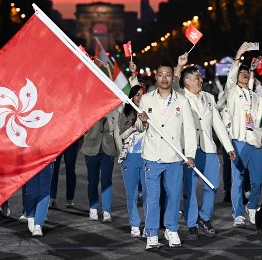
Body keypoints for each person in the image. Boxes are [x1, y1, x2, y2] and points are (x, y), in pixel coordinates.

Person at [135, 61, 196, 250]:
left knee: (173, 195)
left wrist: (190, 154)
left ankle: (171, 228)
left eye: (168, 75)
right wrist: (142, 121)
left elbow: (190, 130)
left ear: (173, 77)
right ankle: (152, 232)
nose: (164, 78)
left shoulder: (182, 100)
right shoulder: (146, 99)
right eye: (161, 74)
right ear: (156, 76)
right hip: (152, 155)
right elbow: (139, 128)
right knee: (152, 197)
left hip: (174, 156)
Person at [175, 56, 236, 239]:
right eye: (196, 77)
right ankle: (192, 223)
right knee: (190, 188)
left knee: (213, 185)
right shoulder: (179, 96)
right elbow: (172, 83)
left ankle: (205, 217)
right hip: (189, 150)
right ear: (186, 81)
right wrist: (179, 65)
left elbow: (217, 123)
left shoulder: (208, 97)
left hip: (209, 148)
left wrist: (228, 146)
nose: (200, 80)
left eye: (200, 77)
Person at [224, 42, 262, 227]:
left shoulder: (257, 98)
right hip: (239, 140)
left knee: (258, 181)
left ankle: (251, 207)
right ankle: (237, 214)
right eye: (241, 72)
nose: (244, 74)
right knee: (238, 180)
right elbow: (231, 78)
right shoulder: (232, 92)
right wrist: (239, 54)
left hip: (255, 143)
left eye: (246, 73)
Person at [118, 84, 147, 238]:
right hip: (129, 157)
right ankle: (135, 224)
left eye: (142, 94)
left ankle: (149, 224)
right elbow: (122, 135)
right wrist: (134, 128)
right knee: (132, 194)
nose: (139, 97)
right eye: (137, 95)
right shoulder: (125, 113)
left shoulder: (149, 112)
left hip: (147, 157)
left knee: (149, 193)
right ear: (132, 97)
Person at [81, 107, 119, 223]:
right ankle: (93, 208)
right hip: (91, 149)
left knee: (106, 181)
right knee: (92, 181)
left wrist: (121, 152)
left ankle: (107, 211)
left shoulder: (116, 113)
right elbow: (82, 128)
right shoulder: (91, 110)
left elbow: (117, 133)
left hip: (108, 151)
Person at [24, 162, 54, 237]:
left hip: (47, 157)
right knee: (31, 191)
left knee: (44, 191)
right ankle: (31, 215)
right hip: (30, 158)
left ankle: (38, 225)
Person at [49, 140, 79, 209]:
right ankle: (52, 198)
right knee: (53, 170)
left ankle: (70, 199)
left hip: (72, 140)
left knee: (70, 170)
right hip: (57, 140)